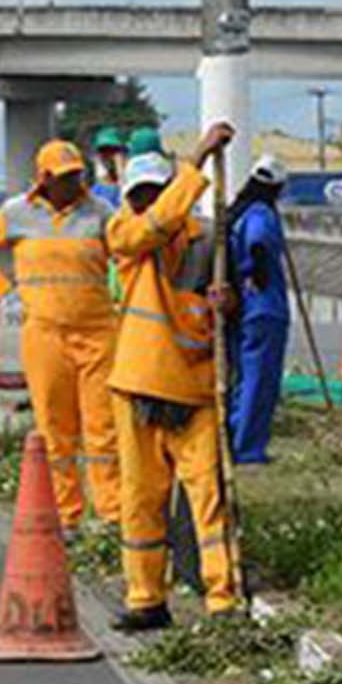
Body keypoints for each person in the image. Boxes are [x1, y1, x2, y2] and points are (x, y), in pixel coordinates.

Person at [104, 123, 240, 632]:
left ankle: (222, 597)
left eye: (153, 193)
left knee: (208, 494)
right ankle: (146, 597)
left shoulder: (207, 241)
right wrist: (198, 160)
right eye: (139, 194)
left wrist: (225, 303)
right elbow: (154, 226)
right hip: (139, 384)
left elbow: (223, 301)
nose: (147, 202)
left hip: (195, 387)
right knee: (141, 499)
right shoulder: (125, 233)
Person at [0, 139, 122, 533]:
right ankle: (66, 515)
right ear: (45, 179)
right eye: (65, 177)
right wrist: (5, 293)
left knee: (103, 427)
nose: (74, 184)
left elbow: (128, 251)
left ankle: (111, 514)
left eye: (77, 176)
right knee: (56, 427)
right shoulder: (18, 213)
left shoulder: (101, 213)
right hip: (45, 334)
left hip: (98, 332)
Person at [225, 153, 292, 464]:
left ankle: (237, 437)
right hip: (263, 308)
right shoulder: (260, 214)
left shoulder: (236, 213)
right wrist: (257, 270)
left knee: (243, 378)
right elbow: (259, 240)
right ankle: (248, 448)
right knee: (260, 380)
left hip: (242, 309)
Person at [89, 126, 129, 209]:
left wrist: (121, 173)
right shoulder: (95, 192)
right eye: (103, 151)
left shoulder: (135, 181)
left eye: (114, 150)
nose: (108, 156)